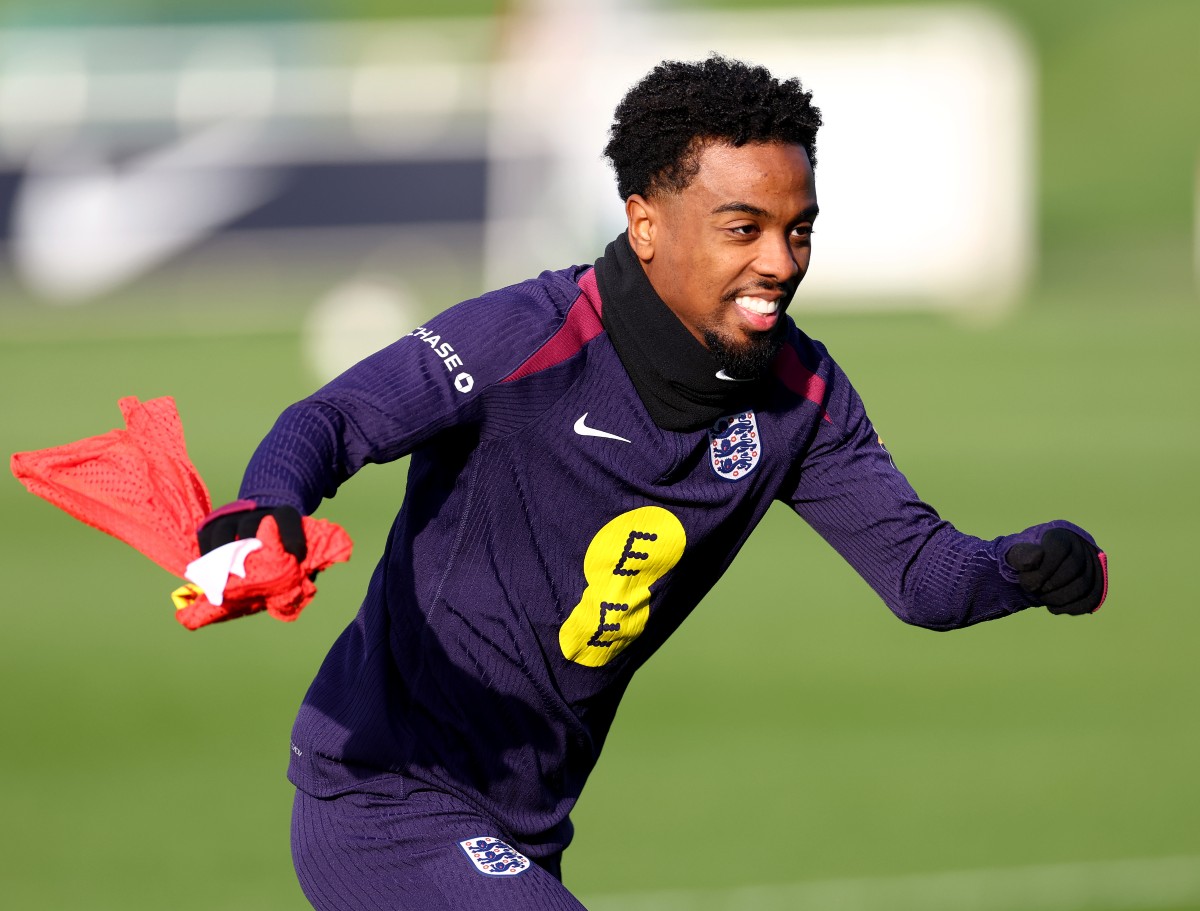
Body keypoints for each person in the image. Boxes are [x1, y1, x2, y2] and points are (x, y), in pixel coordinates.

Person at [198, 55, 1108, 910]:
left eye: (799, 231)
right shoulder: (525, 336)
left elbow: (921, 576)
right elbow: (335, 419)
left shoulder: (803, 393)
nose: (781, 263)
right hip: (382, 794)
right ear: (645, 224)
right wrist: (261, 511)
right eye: (743, 229)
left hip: (527, 822)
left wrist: (1026, 567)